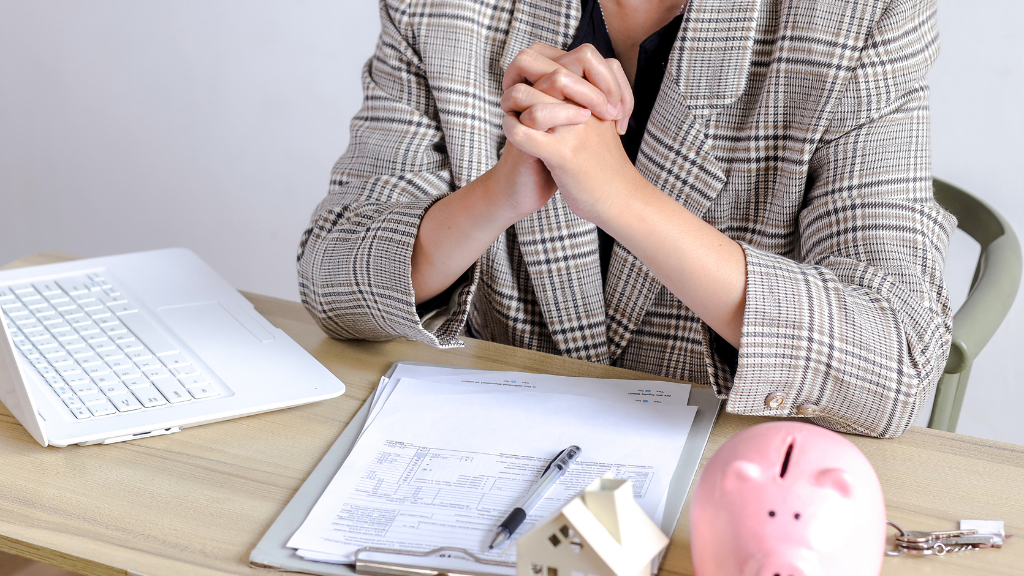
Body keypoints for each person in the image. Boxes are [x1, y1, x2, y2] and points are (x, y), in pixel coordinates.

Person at [297, 0, 954, 438]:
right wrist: (500, 191)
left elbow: (895, 359)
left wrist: (622, 199)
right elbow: (332, 277)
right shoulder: (442, 9)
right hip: (492, 450)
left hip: (727, 485)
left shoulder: (861, 17)